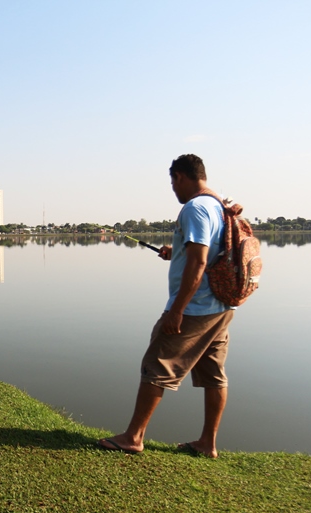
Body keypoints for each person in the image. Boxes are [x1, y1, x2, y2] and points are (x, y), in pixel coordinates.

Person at [97, 154, 234, 458]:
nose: (173, 188)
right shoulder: (220, 204)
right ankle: (207, 444)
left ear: (180, 177)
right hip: (222, 306)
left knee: (156, 365)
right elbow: (207, 253)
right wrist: (177, 253)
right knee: (214, 374)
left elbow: (199, 262)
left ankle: (133, 437)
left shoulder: (195, 208)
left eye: (173, 181)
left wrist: (177, 310)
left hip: (195, 308)